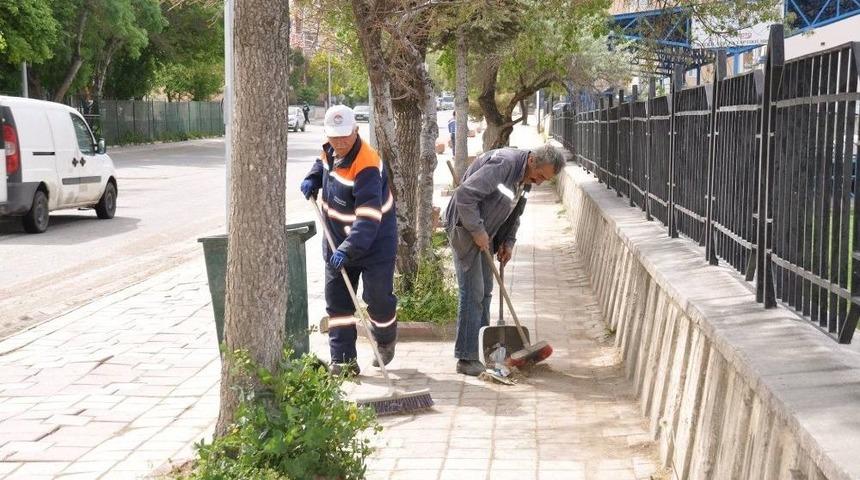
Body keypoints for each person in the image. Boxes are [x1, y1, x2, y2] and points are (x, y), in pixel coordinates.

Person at [444, 144, 565, 376]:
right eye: (539, 176)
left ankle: (481, 350)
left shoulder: (527, 180)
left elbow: (515, 212)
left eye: (544, 180)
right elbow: (464, 195)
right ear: (532, 161)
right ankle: (466, 358)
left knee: (486, 291)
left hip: (485, 232)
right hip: (465, 227)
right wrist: (478, 231)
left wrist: (507, 242)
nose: (539, 182)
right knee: (473, 292)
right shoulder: (504, 165)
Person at [300, 105, 398, 376]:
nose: (340, 142)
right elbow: (321, 165)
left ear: (356, 130)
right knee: (339, 303)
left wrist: (349, 249)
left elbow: (368, 218)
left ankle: (386, 337)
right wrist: (312, 179)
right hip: (336, 242)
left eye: (345, 136)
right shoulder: (330, 150)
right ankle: (343, 362)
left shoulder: (367, 164)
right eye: (334, 137)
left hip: (374, 242)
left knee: (377, 298)